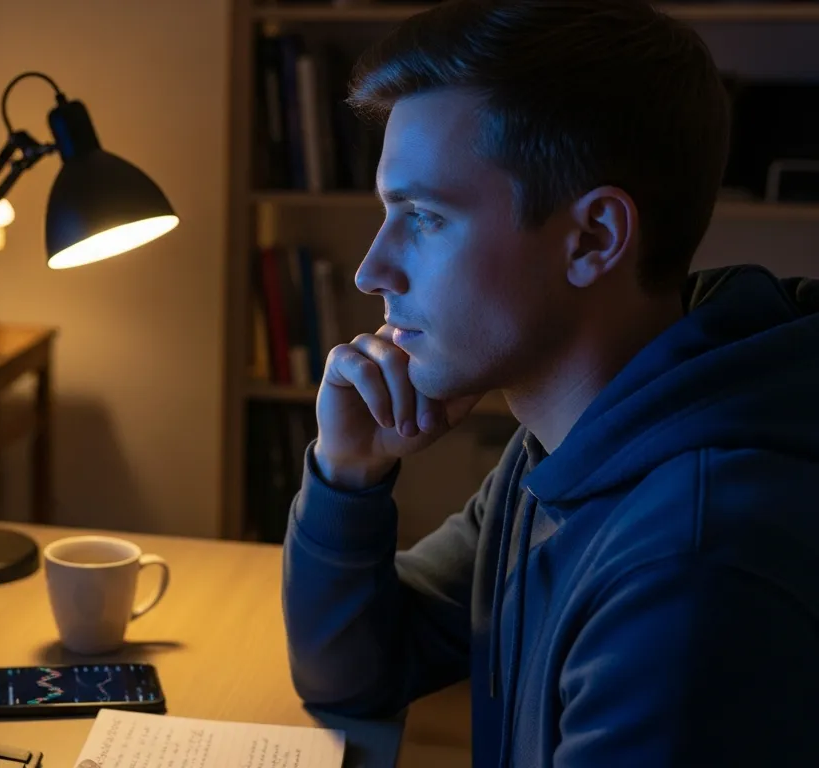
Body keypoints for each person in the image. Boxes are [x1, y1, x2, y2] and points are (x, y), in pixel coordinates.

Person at [280, 0, 819, 765]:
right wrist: (347, 473)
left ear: (594, 238)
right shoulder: (568, 442)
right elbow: (355, 676)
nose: (372, 270)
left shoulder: (693, 569)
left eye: (424, 216)